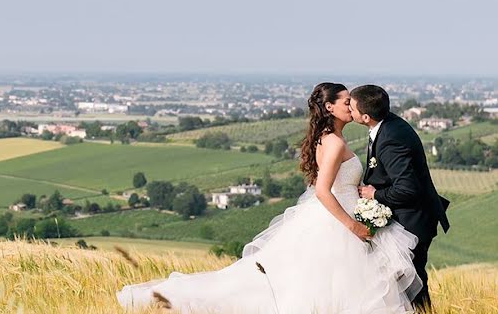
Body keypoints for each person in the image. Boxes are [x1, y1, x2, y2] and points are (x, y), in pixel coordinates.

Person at [117, 82, 421, 313]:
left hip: (342, 211)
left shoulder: (333, 139)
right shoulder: (332, 142)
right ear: (330, 107)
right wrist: (352, 226)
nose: (351, 106)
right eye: (345, 101)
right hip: (336, 221)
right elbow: (321, 190)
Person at [353, 84, 450, 311]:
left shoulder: (390, 139)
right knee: (407, 283)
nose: (349, 108)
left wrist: (374, 193)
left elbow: (407, 189)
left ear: (365, 116)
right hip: (411, 216)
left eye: (352, 106)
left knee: (412, 284)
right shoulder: (386, 123)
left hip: (413, 221)